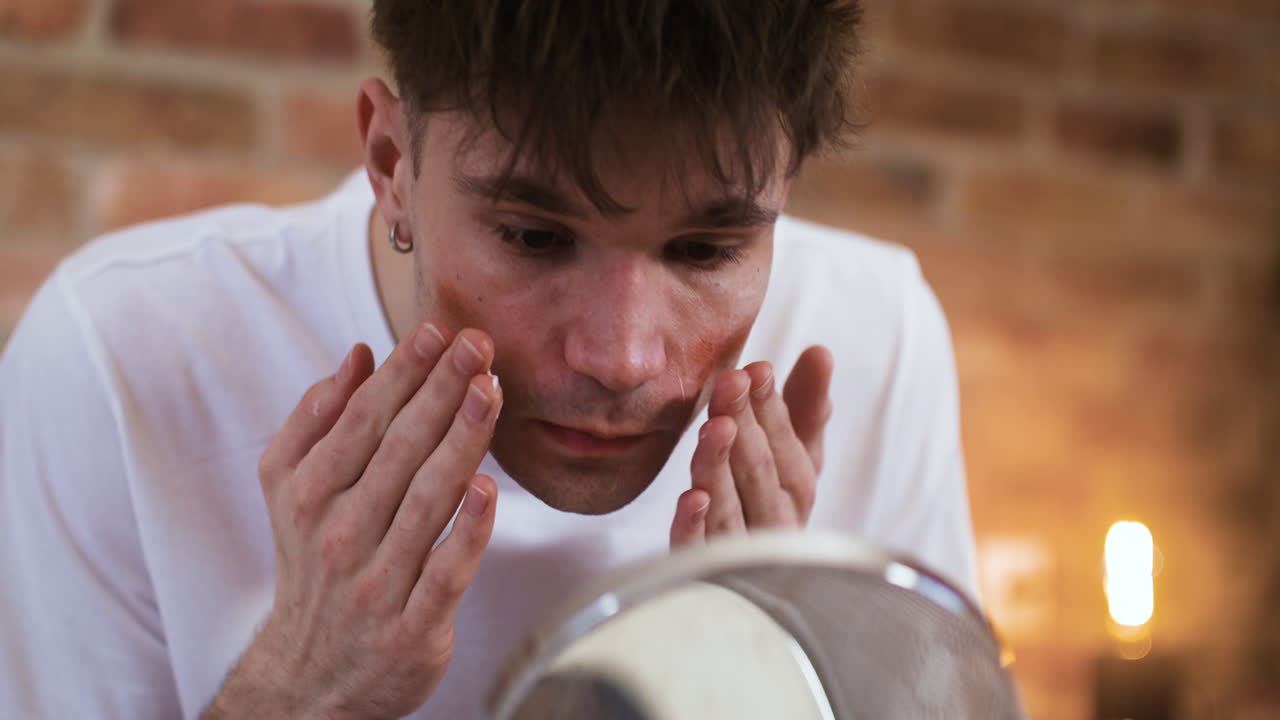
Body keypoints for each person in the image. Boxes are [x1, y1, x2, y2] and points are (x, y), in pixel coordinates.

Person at [0, 1, 977, 718]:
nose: (621, 359)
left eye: (704, 250)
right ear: (392, 164)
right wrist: (298, 690)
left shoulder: (872, 335)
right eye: (533, 237)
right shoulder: (122, 358)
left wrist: (779, 677)